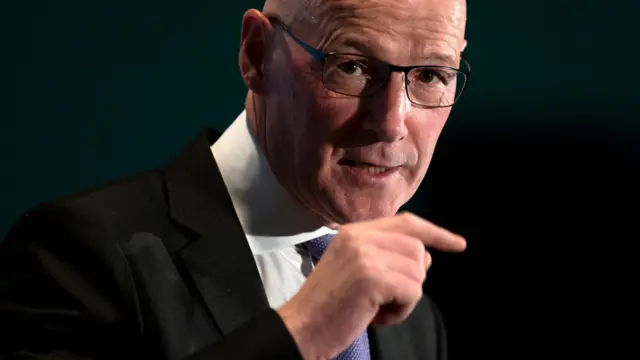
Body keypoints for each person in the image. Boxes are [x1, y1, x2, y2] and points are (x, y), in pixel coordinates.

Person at [0, 0, 471, 359]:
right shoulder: (79, 253)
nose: (392, 122)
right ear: (258, 54)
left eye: (431, 75)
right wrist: (302, 331)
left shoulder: (413, 321)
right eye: (352, 66)